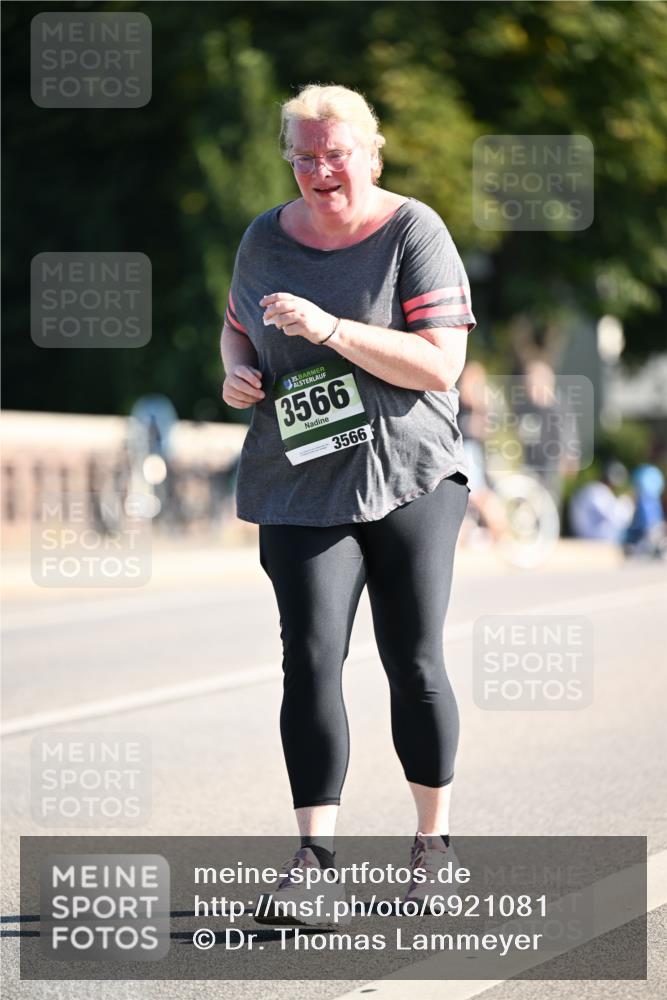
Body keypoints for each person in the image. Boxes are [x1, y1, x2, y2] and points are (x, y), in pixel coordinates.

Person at [220, 84, 476, 923]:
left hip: (408, 473)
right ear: (288, 158)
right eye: (304, 157)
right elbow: (236, 323)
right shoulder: (264, 234)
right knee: (311, 658)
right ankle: (313, 861)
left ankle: (432, 846)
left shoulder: (413, 230)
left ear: (370, 152)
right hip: (300, 480)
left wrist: (331, 329)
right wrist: (235, 370)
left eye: (336, 154)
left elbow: (440, 366)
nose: (321, 171)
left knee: (412, 659)